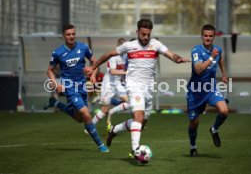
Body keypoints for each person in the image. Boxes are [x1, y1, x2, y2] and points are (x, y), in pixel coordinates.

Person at [92, 19, 190, 158]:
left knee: (141, 123)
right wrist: (93, 67)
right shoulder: (129, 45)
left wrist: (177, 59)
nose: (145, 37)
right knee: (138, 117)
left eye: (148, 34)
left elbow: (171, 55)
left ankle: (114, 130)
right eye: (143, 34)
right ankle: (135, 150)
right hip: (133, 86)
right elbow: (108, 55)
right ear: (137, 32)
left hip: (148, 89)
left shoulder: (155, 44)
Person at [44, 24, 109, 152]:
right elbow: (49, 71)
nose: (71, 36)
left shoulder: (83, 47)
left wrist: (93, 75)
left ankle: (56, 103)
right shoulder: (57, 52)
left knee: (79, 118)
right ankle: (101, 145)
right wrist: (56, 84)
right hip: (69, 88)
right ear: (63, 36)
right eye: (68, 34)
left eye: (73, 34)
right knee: (86, 114)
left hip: (82, 87)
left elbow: (95, 62)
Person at [186, 24, 229, 157]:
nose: (208, 38)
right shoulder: (196, 51)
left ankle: (214, 129)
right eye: (205, 36)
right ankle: (193, 147)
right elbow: (198, 69)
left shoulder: (217, 50)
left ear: (214, 37)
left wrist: (224, 74)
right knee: (194, 123)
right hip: (196, 92)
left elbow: (220, 58)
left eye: (210, 36)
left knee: (224, 110)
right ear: (202, 36)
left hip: (210, 89)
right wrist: (211, 57)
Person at [90, 38, 130, 132]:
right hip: (108, 84)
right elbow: (112, 71)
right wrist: (126, 72)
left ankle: (112, 111)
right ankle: (90, 127)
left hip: (118, 84)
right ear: (120, 46)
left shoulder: (125, 56)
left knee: (130, 102)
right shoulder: (113, 57)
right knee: (104, 110)